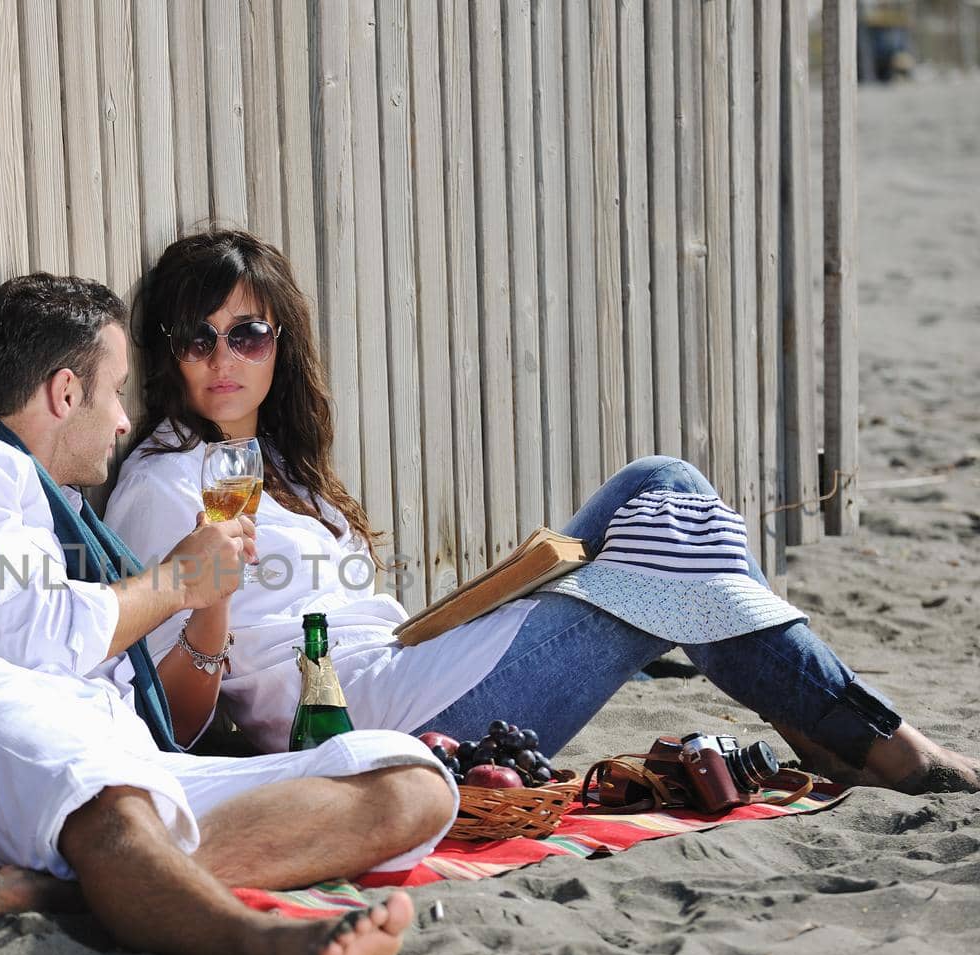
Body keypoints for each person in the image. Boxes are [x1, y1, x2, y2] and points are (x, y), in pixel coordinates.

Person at [105, 228, 979, 795]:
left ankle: (825, 721)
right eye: (199, 337)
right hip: (390, 731)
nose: (225, 358)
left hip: (417, 662)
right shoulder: (163, 484)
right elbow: (175, 713)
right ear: (168, 355)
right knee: (671, 527)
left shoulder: (287, 465)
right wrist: (209, 602)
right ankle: (865, 735)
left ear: (280, 344)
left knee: (657, 481)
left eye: (247, 333)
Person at [0, 272, 462, 955]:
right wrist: (170, 582)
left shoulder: (67, 516)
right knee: (109, 793)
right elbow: (33, 635)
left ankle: (71, 892)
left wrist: (208, 602)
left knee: (411, 783)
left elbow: (168, 717)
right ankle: (260, 945)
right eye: (115, 391)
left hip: (95, 745)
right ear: (65, 392)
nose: (123, 419)